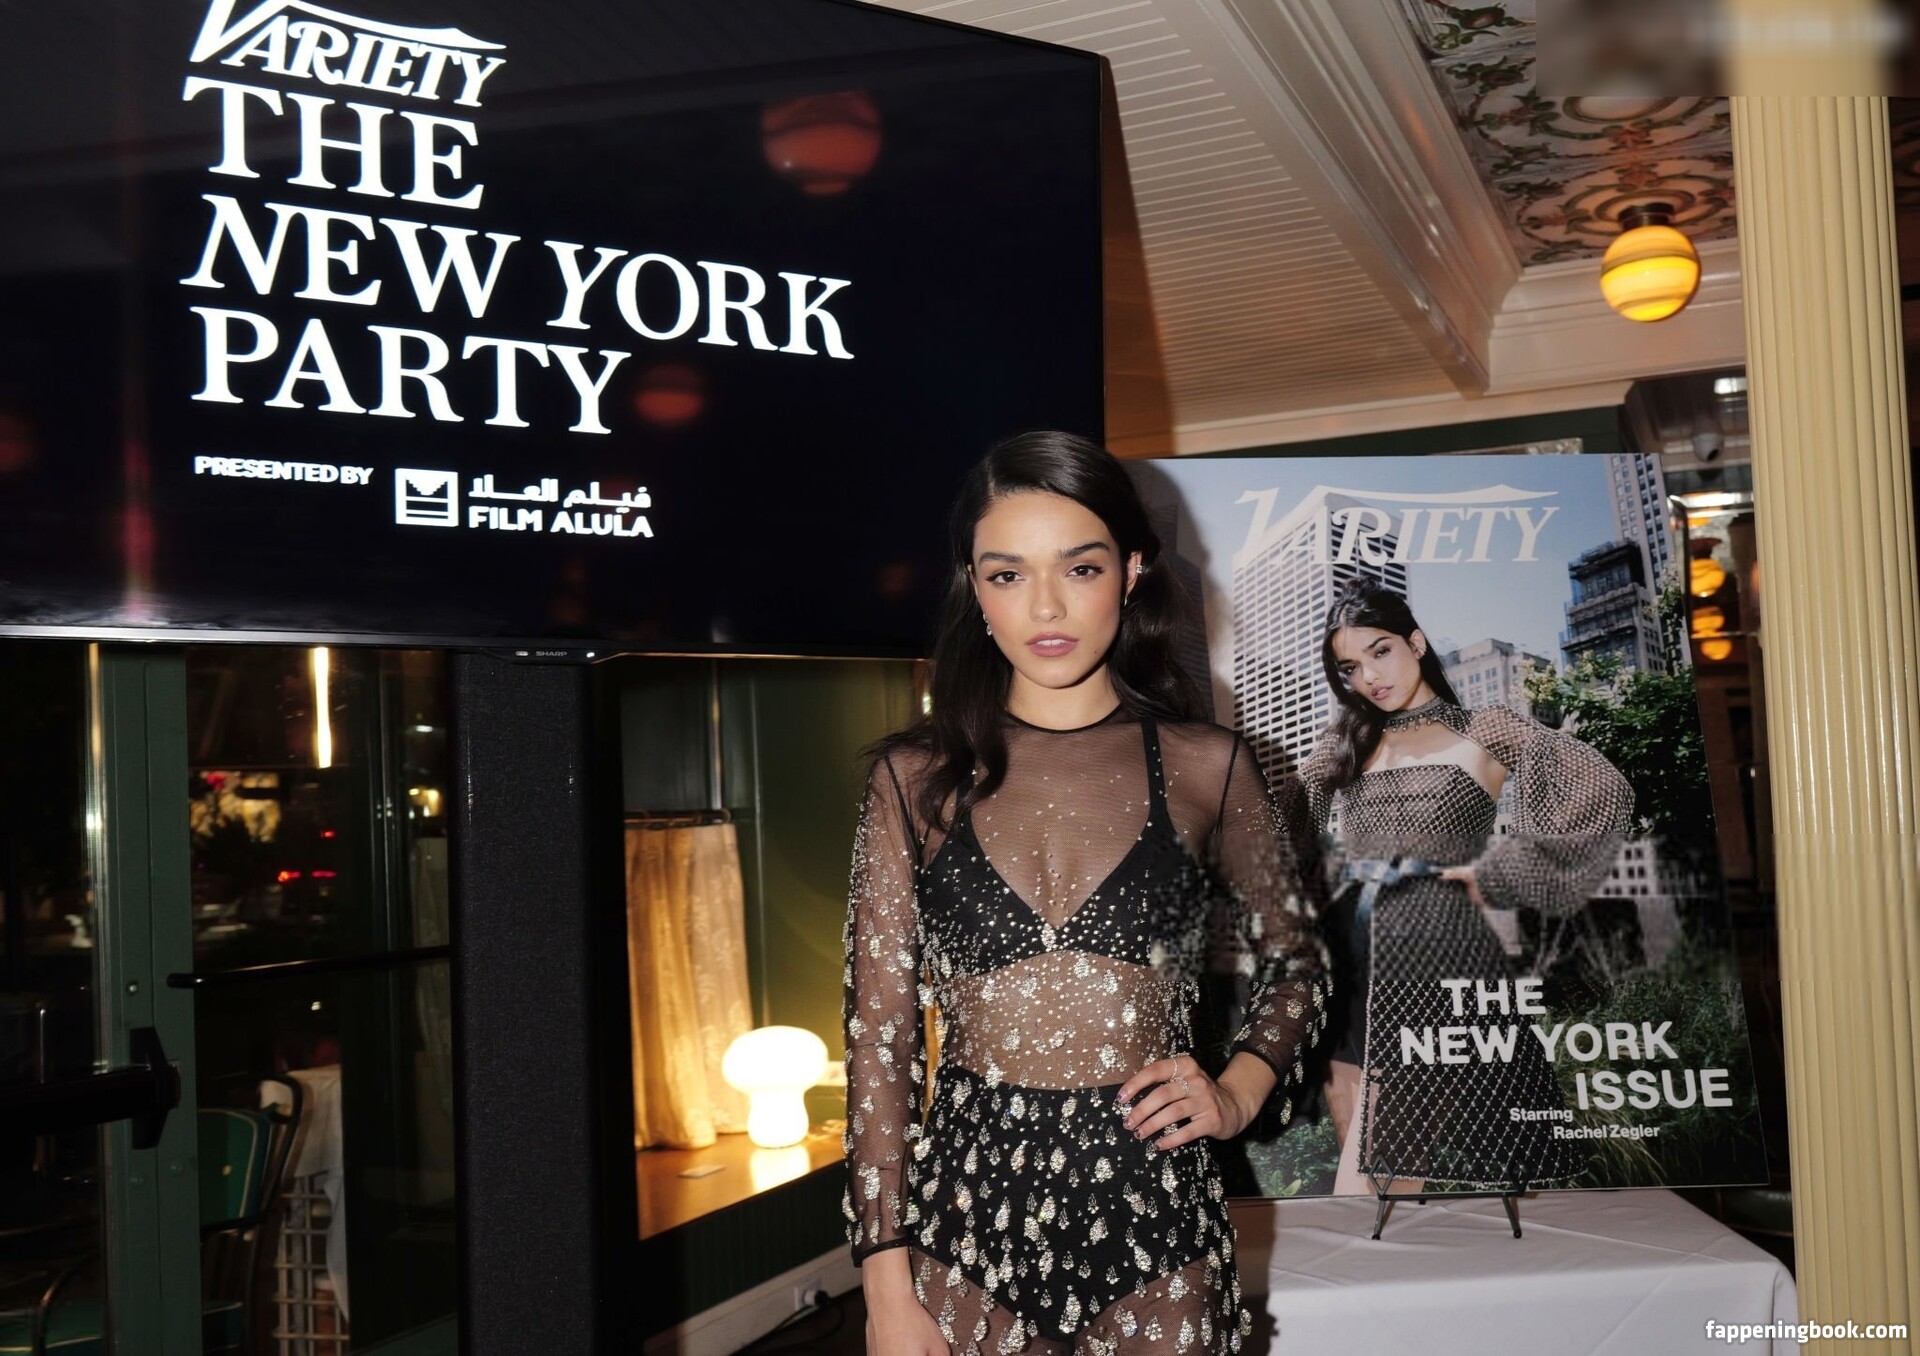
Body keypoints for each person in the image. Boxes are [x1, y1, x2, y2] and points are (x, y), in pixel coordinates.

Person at [842, 432, 1328, 1355]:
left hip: (1162, 1228)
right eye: (1008, 574)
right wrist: (884, 1285)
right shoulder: (913, 780)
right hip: (959, 1236)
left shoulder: (1210, 766)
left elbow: (1296, 964)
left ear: (1132, 571)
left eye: (1081, 567)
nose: (1047, 606)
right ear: (975, 588)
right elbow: (881, 1042)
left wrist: (1236, 1091)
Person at [1300, 578, 1632, 1197]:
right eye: (1350, 668)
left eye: (1380, 651)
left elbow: (1601, 791)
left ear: (1416, 643)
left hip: (1438, 955)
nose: (1369, 677)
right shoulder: (1345, 744)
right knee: (1371, 1187)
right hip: (1348, 952)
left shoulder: (1486, 729)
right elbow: (1279, 835)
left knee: (1391, 1180)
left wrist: (1501, 873)